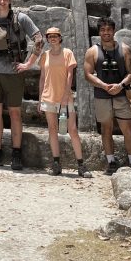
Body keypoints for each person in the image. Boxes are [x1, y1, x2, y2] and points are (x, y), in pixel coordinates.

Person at [0, 0, 43, 170]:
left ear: (10, 0)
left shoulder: (21, 18)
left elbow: (39, 39)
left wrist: (29, 63)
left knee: (15, 113)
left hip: (14, 72)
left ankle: (16, 154)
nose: (2, 2)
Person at [83, 17, 131, 176]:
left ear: (113, 31)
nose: (105, 33)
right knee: (106, 128)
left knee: (127, 128)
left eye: (108, 30)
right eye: (102, 30)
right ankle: (111, 162)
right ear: (99, 32)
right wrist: (103, 86)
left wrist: (120, 86)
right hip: (102, 95)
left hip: (122, 94)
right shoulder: (92, 51)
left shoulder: (125, 49)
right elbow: (87, 74)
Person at [38, 27, 90, 178]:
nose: (53, 38)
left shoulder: (68, 53)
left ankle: (81, 164)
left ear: (60, 38)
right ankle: (56, 163)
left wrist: (65, 96)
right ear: (47, 39)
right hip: (48, 97)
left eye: (56, 36)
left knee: (72, 130)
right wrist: (40, 98)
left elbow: (70, 76)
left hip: (65, 99)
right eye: (50, 36)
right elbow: (42, 78)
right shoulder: (45, 56)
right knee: (52, 129)